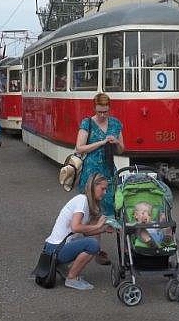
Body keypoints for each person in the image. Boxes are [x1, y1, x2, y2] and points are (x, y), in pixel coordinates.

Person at [42, 173, 115, 291]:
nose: (105, 192)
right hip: (55, 249)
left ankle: (61, 266)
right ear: (93, 186)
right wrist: (98, 225)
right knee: (93, 245)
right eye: (103, 188)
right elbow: (76, 227)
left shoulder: (86, 202)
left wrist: (103, 229)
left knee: (90, 242)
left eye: (106, 189)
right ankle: (71, 278)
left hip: (54, 248)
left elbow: (86, 233)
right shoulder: (82, 200)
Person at [75, 93, 124, 263]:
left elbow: (121, 150)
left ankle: (122, 249)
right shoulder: (87, 122)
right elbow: (79, 148)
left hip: (109, 170)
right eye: (100, 112)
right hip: (91, 172)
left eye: (106, 111)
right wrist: (102, 142)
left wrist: (116, 142)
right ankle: (96, 248)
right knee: (94, 210)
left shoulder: (116, 123)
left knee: (113, 208)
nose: (103, 115)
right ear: (94, 109)